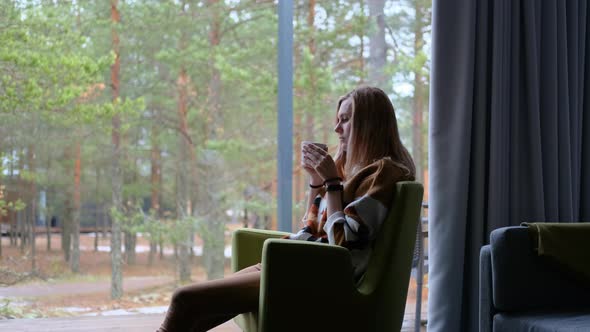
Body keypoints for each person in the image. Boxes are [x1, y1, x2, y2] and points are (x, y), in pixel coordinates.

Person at [157, 86, 415, 332]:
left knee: (184, 299)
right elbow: (311, 227)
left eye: (345, 120)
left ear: (369, 124)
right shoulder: (352, 170)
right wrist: (316, 181)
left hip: (320, 274)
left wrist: (332, 184)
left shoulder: (383, 173)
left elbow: (342, 241)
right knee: (200, 310)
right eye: (337, 119)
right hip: (297, 262)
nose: (336, 128)